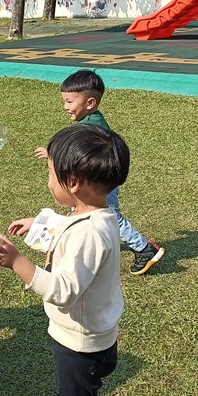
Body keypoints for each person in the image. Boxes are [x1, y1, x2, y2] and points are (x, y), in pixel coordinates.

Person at [0, 124, 134, 396]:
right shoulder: (96, 216)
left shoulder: (89, 233)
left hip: (79, 344)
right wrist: (37, 224)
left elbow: (63, 288)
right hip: (94, 337)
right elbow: (69, 226)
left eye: (50, 173)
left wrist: (16, 262)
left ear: (73, 182)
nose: (48, 180)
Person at [34, 70, 163, 276]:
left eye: (69, 101)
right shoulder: (91, 122)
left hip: (98, 181)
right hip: (96, 179)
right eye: (64, 101)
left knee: (111, 216)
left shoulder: (91, 128)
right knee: (96, 215)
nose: (65, 107)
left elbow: (84, 156)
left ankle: (144, 249)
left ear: (90, 103)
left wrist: (55, 156)